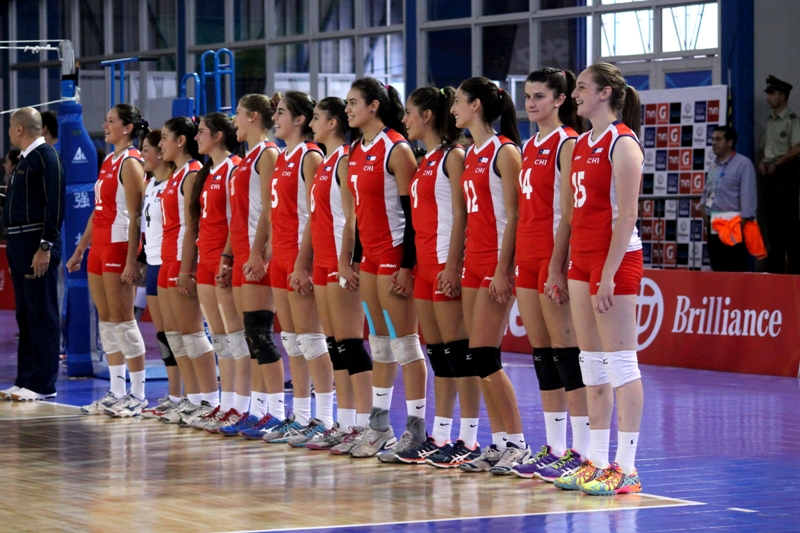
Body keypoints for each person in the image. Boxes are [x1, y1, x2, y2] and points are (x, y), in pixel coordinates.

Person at [550, 62, 644, 496]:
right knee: (590, 364)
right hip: (581, 261)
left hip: (615, 262)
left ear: (605, 93)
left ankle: (626, 467)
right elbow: (573, 214)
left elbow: (627, 216)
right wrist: (564, 266)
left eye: (583, 88)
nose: (575, 95)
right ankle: (596, 460)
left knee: (621, 363)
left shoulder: (622, 144)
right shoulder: (581, 143)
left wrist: (606, 275)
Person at [390, 86, 484, 468]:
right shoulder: (425, 159)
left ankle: (470, 438)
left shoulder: (454, 156)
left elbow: (463, 216)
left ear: (428, 115)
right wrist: (412, 265)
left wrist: (453, 265)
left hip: (447, 265)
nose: (405, 118)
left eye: (410, 112)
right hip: (425, 267)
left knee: (460, 356)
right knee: (440, 357)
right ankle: (441, 436)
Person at [509, 67, 590, 482]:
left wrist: (557, 266)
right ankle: (555, 446)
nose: (531, 104)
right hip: (526, 256)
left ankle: (582, 450)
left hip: (551, 258)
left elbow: (570, 213)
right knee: (542, 356)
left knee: (566, 353)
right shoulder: (530, 144)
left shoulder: (567, 143)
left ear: (560, 100)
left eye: (539, 96)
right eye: (526, 96)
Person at [342, 77, 429, 459]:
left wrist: (407, 266)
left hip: (396, 254)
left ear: (374, 106)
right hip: (371, 258)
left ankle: (417, 431)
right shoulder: (355, 151)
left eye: (353, 102)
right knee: (379, 343)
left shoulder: (396, 149)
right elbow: (359, 214)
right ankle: (379, 428)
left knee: (405, 345)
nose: (348, 109)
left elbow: (414, 215)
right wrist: (355, 258)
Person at [448, 77, 531, 476]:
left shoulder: (505, 152)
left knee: (484, 354)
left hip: (496, 265)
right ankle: (499, 443)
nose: (454, 109)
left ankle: (516, 442)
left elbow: (515, 215)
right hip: (473, 263)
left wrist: (504, 269)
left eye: (459, 102)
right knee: (475, 356)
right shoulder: (470, 153)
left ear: (477, 106)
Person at [254, 91, 336, 446]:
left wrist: (303, 263)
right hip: (282, 256)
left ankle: (326, 418)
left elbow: (315, 215)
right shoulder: (284, 156)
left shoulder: (309, 156)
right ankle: (301, 416)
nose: (276, 119)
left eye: (282, 113)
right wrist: (269, 248)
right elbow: (276, 213)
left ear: (300, 120)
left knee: (312, 340)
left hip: (303, 258)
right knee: (292, 341)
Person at [297, 96, 375, 451]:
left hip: (343, 261)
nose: (311, 123)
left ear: (331, 124)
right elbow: (318, 219)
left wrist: (347, 260)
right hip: (325, 260)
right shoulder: (326, 162)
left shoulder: (344, 159)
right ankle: (345, 423)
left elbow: (352, 216)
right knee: (335, 345)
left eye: (316, 118)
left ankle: (365, 423)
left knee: (351, 344)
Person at [67, 104, 149, 416]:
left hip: (118, 245)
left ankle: (138, 395)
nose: (105, 125)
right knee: (107, 322)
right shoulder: (110, 161)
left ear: (127, 128)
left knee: (124, 319)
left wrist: (132, 260)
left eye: (111, 121)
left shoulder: (131, 162)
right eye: (106, 120)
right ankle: (116, 391)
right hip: (99, 245)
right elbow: (97, 211)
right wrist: (79, 249)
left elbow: (137, 216)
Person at [178, 113, 247, 431]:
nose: (196, 137)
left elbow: (238, 220)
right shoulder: (208, 172)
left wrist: (227, 258)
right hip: (205, 259)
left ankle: (240, 406)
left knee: (236, 337)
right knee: (220, 339)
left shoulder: (233, 168)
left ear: (218, 136)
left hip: (222, 259)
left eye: (202, 132)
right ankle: (225, 403)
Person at [0, 108, 64, 401]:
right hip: (18, 242)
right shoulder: (26, 160)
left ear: (19, 130)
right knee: (25, 314)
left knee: (42, 312)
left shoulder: (45, 156)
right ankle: (26, 377)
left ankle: (43, 383)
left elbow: (56, 203)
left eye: (11, 127)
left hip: (35, 241)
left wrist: (45, 246)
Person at [136, 129, 184, 418]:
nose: (143, 154)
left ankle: (191, 395)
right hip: (154, 262)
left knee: (181, 333)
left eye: (147, 149)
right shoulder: (150, 183)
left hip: (172, 260)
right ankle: (175, 394)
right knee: (164, 335)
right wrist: (140, 261)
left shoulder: (176, 181)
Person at [758, 75, 800, 274]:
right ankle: (775, 272)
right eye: (768, 94)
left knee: (789, 228)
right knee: (772, 228)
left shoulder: (792, 119)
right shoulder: (771, 121)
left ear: (783, 96)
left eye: (772, 93)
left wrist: (777, 162)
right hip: (769, 178)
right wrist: (762, 162)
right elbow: (766, 148)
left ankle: (793, 272)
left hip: (785, 177)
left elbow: (798, 147)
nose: (768, 98)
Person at [701, 126, 758, 272]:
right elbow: (708, 189)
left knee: (735, 268)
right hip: (715, 223)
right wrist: (702, 207)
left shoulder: (743, 164)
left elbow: (748, 197)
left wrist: (740, 225)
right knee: (718, 267)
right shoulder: (714, 164)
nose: (713, 142)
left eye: (718, 139)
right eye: (713, 139)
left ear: (730, 142)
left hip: (734, 224)